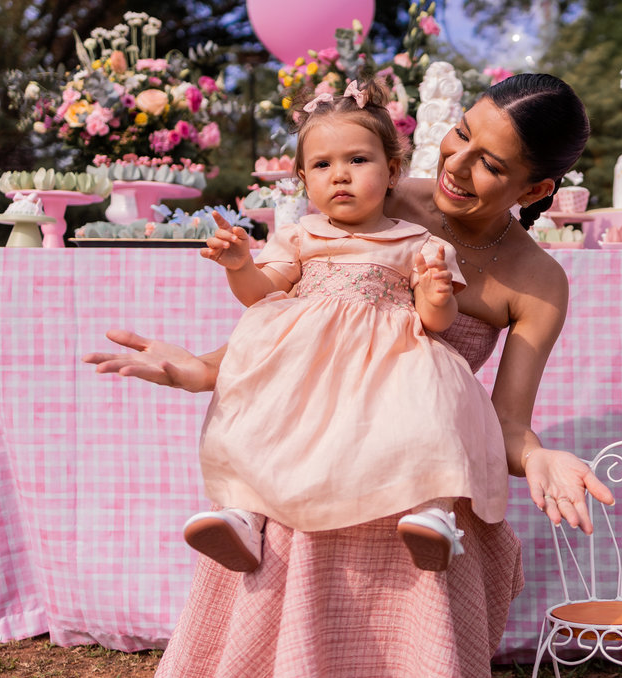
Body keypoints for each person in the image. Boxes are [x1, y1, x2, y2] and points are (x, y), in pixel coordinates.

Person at [85, 72, 614, 678]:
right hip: (308, 454)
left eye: (490, 164)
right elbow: (309, 329)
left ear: (537, 187)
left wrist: (541, 458)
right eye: (460, 134)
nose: (457, 165)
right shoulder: (376, 188)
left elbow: (508, 424)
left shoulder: (538, 281)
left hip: (414, 482)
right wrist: (198, 369)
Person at [182, 77, 507, 575]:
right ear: (303, 180)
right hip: (305, 362)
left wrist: (437, 293)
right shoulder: (299, 235)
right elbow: (261, 293)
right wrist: (239, 266)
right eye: (322, 165)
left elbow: (434, 322)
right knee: (259, 415)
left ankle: (433, 514)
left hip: (391, 362)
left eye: (358, 160)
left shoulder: (419, 242)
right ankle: (243, 514)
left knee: (430, 415)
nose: (340, 176)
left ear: (392, 169)